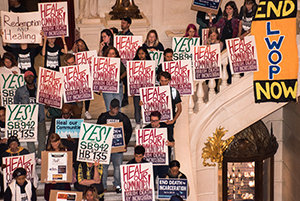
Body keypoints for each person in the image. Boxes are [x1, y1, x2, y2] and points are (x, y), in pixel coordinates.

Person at [96, 98, 132, 193]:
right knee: (104, 167)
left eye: (117, 108)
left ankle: (117, 185)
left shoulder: (123, 118)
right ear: (110, 107)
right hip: (105, 148)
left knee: (117, 167)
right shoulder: (103, 117)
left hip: (118, 147)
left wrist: (125, 143)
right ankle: (103, 185)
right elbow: (97, 130)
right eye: (114, 108)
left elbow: (129, 131)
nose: (115, 110)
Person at [14, 70, 47, 163]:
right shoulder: (20, 91)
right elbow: (15, 104)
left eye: (31, 76)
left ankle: (40, 157)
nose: (29, 78)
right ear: (25, 79)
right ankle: (33, 156)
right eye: (27, 76)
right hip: (27, 119)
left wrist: (47, 105)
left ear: (34, 77)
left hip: (40, 117)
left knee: (42, 138)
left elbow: (46, 102)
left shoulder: (41, 89)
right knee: (29, 139)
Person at [208, 1, 239, 84]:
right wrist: (210, 18)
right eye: (227, 9)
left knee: (229, 63)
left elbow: (236, 34)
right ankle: (220, 81)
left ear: (233, 10)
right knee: (221, 62)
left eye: (230, 9)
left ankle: (229, 81)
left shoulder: (236, 20)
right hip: (223, 43)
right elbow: (214, 27)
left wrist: (233, 44)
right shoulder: (223, 19)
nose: (228, 10)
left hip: (231, 43)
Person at [143, 111, 174, 180]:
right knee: (150, 181)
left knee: (163, 180)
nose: (153, 123)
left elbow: (173, 143)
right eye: (152, 121)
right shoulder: (145, 129)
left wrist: (169, 143)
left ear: (159, 120)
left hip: (163, 161)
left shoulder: (166, 128)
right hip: (150, 161)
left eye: (155, 121)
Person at [44, 133, 71, 201]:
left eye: (55, 141)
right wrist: (49, 180)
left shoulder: (66, 150)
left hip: (63, 180)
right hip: (52, 181)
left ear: (59, 141)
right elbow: (45, 169)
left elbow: (70, 164)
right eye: (52, 142)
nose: (54, 144)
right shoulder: (47, 152)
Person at [70, 38, 92, 120]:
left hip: (86, 77)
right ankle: (78, 110)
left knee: (87, 95)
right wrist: (74, 51)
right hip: (78, 78)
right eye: (78, 45)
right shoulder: (75, 56)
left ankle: (87, 111)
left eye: (82, 44)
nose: (81, 46)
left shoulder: (90, 54)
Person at [101, 47, 126, 111]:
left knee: (118, 106)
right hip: (107, 87)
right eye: (109, 53)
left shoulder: (119, 62)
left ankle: (118, 120)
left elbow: (126, 72)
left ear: (115, 55)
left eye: (112, 53)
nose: (110, 55)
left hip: (118, 86)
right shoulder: (103, 63)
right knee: (109, 106)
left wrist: (119, 78)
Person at [132, 46, 152, 129]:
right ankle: (137, 123)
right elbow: (131, 78)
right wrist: (131, 90)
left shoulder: (150, 64)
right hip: (136, 89)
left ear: (146, 54)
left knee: (146, 106)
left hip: (147, 89)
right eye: (139, 54)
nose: (141, 55)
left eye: (142, 53)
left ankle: (145, 122)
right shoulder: (133, 64)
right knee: (137, 106)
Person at [117, 17, 133, 107]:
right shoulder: (118, 34)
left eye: (124, 23)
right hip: (119, 61)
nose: (122, 24)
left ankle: (125, 98)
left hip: (127, 62)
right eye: (121, 23)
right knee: (119, 80)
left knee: (126, 82)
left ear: (128, 24)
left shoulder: (131, 36)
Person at [63, 54, 83, 119]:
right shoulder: (62, 72)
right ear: (65, 62)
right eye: (68, 63)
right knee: (65, 113)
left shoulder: (80, 71)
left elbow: (84, 85)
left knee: (77, 115)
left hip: (77, 100)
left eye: (72, 63)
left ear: (75, 62)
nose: (70, 65)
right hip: (66, 100)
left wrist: (81, 96)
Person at [206, 27, 223, 93]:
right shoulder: (207, 42)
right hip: (209, 63)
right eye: (211, 35)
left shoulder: (220, 43)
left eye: (214, 35)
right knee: (208, 80)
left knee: (215, 80)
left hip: (216, 64)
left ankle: (215, 90)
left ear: (217, 35)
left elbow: (217, 50)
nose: (213, 37)